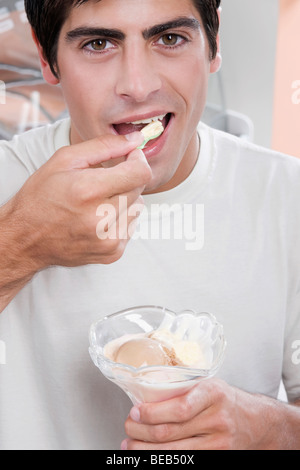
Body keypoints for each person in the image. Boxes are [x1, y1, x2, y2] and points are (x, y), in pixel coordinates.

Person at [0, 0, 299, 451]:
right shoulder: (7, 180)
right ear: (48, 58)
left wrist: (270, 429)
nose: (137, 87)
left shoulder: (287, 195)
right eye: (98, 44)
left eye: (169, 38)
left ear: (213, 43)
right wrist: (18, 244)